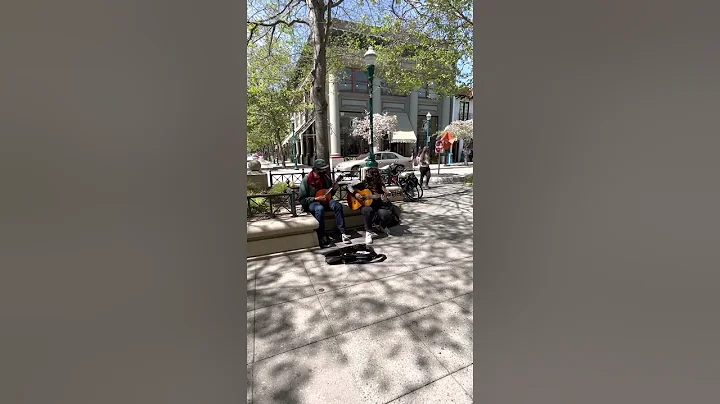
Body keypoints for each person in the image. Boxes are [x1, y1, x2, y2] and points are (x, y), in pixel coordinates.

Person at [298, 159, 352, 248]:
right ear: (315, 169)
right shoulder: (307, 180)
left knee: (337, 205)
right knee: (319, 208)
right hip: (313, 203)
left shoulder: (326, 178)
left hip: (326, 201)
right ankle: (321, 235)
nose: (324, 171)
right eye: (322, 169)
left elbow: (330, 194)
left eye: (324, 169)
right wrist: (316, 198)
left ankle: (342, 232)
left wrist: (334, 189)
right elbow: (302, 199)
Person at [347, 167, 400, 245]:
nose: (368, 178)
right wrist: (355, 194)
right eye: (367, 175)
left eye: (370, 176)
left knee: (387, 214)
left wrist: (385, 199)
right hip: (365, 205)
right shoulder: (363, 183)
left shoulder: (381, 185)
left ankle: (382, 226)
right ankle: (368, 232)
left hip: (378, 206)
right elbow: (349, 186)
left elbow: (386, 196)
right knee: (368, 210)